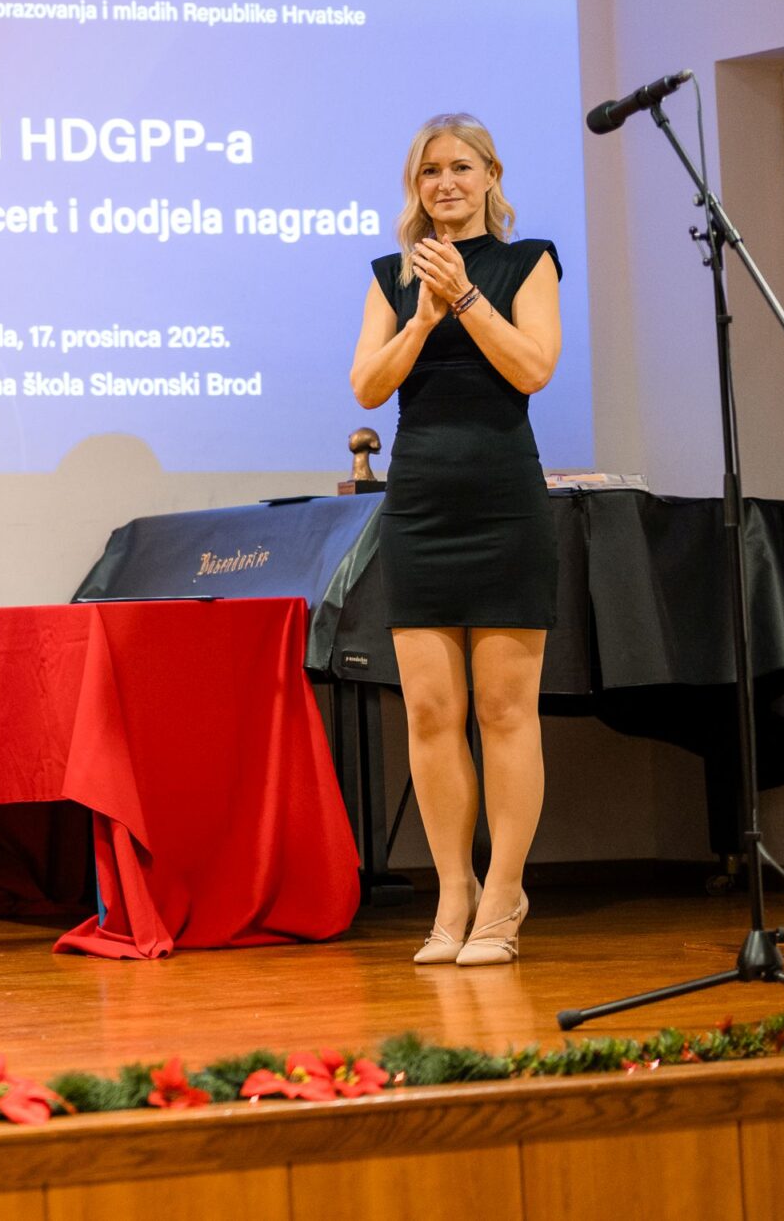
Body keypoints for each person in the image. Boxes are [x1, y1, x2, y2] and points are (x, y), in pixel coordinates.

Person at [350, 113, 563, 968]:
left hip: (504, 501)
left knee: (505, 711)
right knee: (433, 713)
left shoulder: (529, 261)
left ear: (490, 178)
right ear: (417, 187)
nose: (445, 182)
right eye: (430, 170)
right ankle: (454, 893)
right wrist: (422, 317)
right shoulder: (392, 276)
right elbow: (368, 387)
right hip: (421, 505)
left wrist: (468, 299)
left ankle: (505, 894)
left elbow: (532, 368)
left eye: (461, 167)